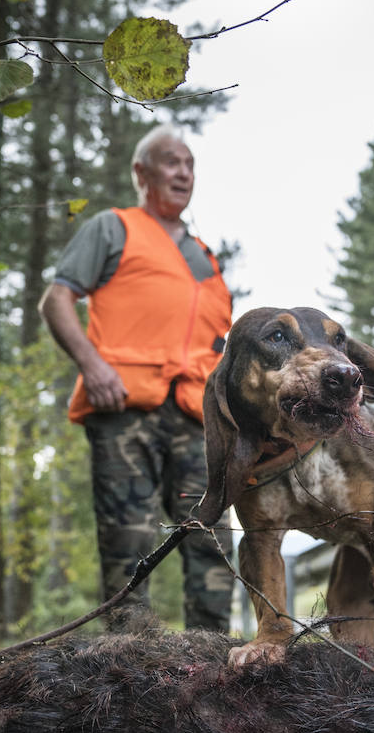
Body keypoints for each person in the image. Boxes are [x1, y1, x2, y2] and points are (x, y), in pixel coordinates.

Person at [38, 124, 235, 632]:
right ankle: (128, 663)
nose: (183, 173)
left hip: (198, 420)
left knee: (212, 542)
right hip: (124, 408)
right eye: (172, 162)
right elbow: (56, 300)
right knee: (128, 545)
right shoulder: (113, 228)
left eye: (190, 164)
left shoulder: (206, 258)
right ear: (141, 173)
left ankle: (210, 662)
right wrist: (92, 364)